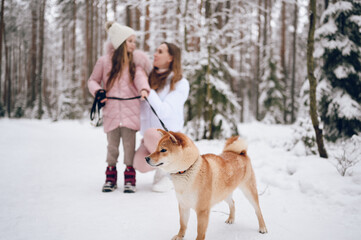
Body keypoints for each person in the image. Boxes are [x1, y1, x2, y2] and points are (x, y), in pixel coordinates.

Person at [88, 22, 151, 193]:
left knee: (129, 146)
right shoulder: (104, 62)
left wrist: (144, 89)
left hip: (131, 111)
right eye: (130, 41)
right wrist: (98, 91)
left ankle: (130, 178)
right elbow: (92, 80)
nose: (134, 44)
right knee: (112, 146)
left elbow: (140, 78)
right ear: (121, 42)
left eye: (134, 41)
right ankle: (111, 176)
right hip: (112, 112)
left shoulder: (135, 63)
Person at [133, 42, 190, 192]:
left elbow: (164, 111)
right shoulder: (149, 79)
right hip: (150, 139)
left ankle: (173, 173)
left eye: (160, 51)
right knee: (138, 163)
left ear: (171, 57)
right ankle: (162, 169)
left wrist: (148, 91)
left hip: (171, 140)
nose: (155, 54)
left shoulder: (180, 83)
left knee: (151, 133)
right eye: (156, 51)